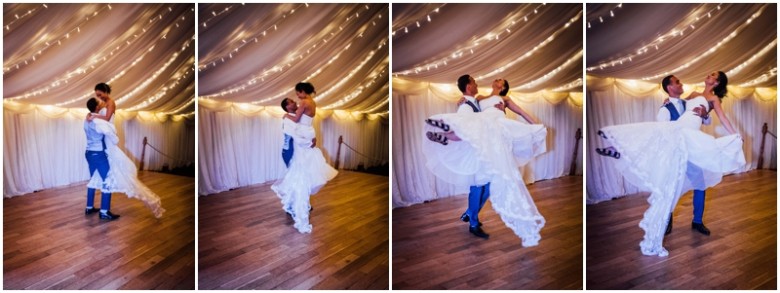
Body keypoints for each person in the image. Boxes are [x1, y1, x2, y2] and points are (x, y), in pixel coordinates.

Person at [595, 71, 745, 256]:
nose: (708, 75)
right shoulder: (692, 94)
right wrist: (666, 102)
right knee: (661, 145)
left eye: (712, 75)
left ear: (717, 82)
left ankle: (697, 221)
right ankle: (619, 146)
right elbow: (682, 106)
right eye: (709, 73)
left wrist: (731, 132)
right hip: (681, 131)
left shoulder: (714, 99)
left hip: (692, 137)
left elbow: (720, 117)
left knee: (700, 183)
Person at [423, 77, 547, 247]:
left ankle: (469, 213)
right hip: (483, 141)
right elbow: (470, 115)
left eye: (500, 80)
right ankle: (472, 221)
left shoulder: (505, 99)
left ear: (502, 86)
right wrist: (462, 103)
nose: (496, 79)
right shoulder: (479, 98)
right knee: (478, 182)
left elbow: (521, 113)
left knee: (490, 184)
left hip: (497, 138)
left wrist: (537, 127)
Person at [271, 82, 338, 233]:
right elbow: (301, 123)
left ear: (302, 91)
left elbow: (295, 120)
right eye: (293, 99)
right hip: (307, 134)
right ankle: (296, 202)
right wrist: (312, 138)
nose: (296, 97)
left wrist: (286, 115)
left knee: (299, 172)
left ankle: (298, 204)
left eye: (297, 93)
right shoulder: (312, 102)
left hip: (304, 139)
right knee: (301, 173)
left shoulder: (303, 103)